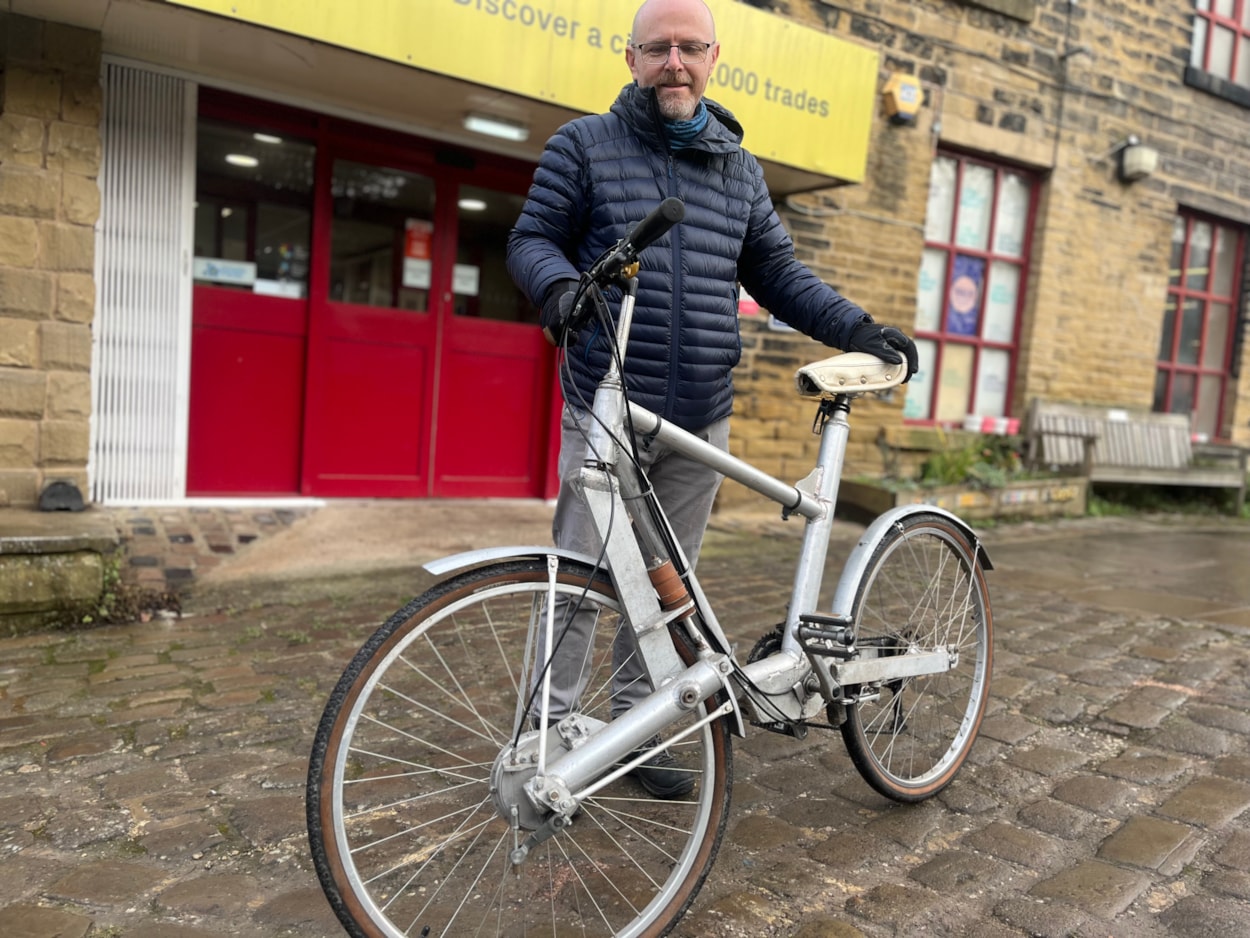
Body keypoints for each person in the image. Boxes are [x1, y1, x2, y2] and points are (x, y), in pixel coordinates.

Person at [505, 0, 919, 798]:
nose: (674, 63)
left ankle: (636, 738)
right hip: (607, 405)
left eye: (689, 48)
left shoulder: (738, 169)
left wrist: (860, 328)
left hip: (699, 415)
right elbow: (532, 238)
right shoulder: (584, 145)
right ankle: (544, 747)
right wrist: (559, 291)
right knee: (578, 584)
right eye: (657, 49)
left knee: (665, 593)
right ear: (630, 59)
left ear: (714, 57)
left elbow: (779, 276)